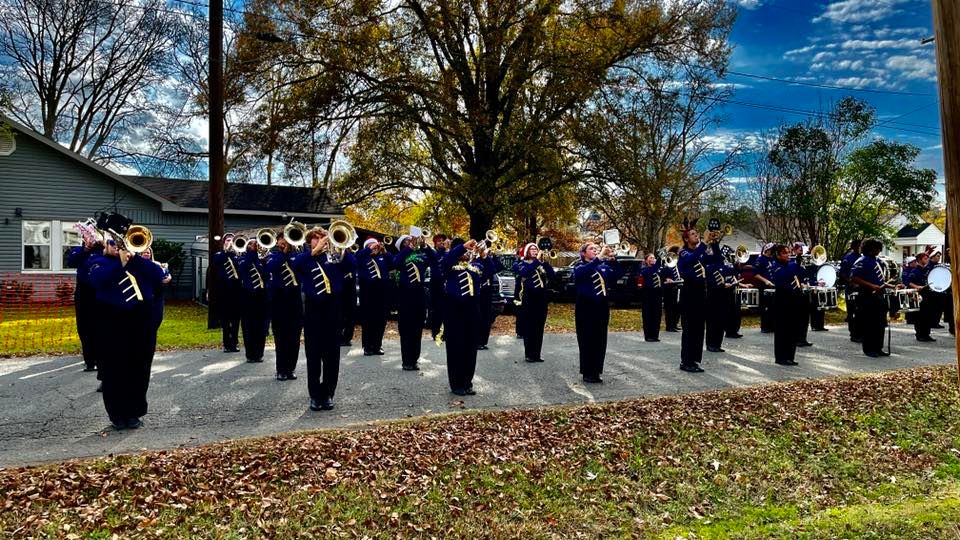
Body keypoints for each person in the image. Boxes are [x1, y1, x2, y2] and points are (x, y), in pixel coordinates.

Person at [88, 239, 165, 430]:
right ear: (105, 246)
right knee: (114, 368)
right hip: (112, 318)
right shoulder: (98, 261)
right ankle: (117, 414)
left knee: (140, 366)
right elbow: (98, 280)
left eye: (120, 244)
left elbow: (158, 275)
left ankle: (134, 412)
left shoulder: (139, 263)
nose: (117, 247)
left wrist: (134, 258)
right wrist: (121, 264)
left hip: (142, 319)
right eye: (113, 244)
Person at [292, 228, 356, 411]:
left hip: (333, 308)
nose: (320, 241)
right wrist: (314, 251)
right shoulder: (304, 257)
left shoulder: (334, 257)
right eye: (316, 238)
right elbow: (296, 268)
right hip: (313, 308)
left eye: (322, 238)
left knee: (332, 355)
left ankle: (328, 394)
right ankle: (314, 395)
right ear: (309, 241)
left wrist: (343, 248)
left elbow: (352, 265)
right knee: (313, 354)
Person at [573, 242, 621, 383]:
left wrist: (613, 260)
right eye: (591, 249)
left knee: (600, 339)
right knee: (587, 339)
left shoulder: (602, 267)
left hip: (601, 307)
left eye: (596, 249)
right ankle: (587, 372)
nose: (595, 250)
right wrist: (600, 257)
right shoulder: (579, 266)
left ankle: (596, 371)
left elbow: (617, 275)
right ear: (583, 253)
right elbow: (584, 272)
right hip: (585, 308)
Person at [441, 239, 483, 395]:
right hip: (454, 309)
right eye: (463, 251)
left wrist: (483, 255)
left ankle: (467, 382)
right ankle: (456, 384)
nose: (465, 253)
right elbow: (446, 260)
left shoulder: (474, 267)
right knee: (455, 347)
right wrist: (462, 247)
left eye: (467, 251)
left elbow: (493, 269)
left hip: (472, 309)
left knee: (471, 348)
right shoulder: (450, 266)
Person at [677, 225, 721, 373]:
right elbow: (691, 259)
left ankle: (695, 360)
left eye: (697, 234)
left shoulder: (701, 252)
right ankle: (686, 361)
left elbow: (716, 259)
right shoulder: (683, 252)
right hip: (689, 293)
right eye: (693, 234)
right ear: (686, 238)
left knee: (699, 329)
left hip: (702, 292)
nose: (697, 236)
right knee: (689, 329)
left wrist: (714, 243)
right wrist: (704, 242)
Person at [393, 234, 434, 370]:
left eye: (411, 240)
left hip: (419, 294)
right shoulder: (401, 255)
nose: (410, 242)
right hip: (405, 295)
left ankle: (414, 359)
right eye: (407, 241)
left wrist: (425, 246)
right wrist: (408, 248)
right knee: (406, 329)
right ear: (402, 245)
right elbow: (395, 263)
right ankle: (406, 361)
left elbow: (434, 259)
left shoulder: (421, 256)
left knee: (417, 329)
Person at [265, 235, 303, 380]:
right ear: (277, 242)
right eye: (282, 240)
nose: (284, 242)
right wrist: (284, 253)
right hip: (278, 299)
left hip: (295, 299)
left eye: (287, 239)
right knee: (280, 337)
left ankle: (291, 368)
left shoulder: (298, 256)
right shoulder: (272, 256)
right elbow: (271, 268)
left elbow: (301, 268)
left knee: (294, 337)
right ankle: (281, 369)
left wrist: (292, 252)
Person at [850, 238, 894, 358]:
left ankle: (878, 347)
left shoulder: (878, 261)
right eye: (877, 248)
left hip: (879, 295)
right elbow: (854, 277)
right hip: (866, 295)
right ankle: (869, 349)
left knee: (880, 323)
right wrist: (871, 286)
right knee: (870, 323)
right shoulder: (862, 261)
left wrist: (893, 286)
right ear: (870, 249)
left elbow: (881, 281)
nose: (879, 251)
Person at [513, 243, 555, 362]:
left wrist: (546, 263)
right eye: (531, 249)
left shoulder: (540, 264)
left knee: (539, 326)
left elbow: (552, 277)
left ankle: (537, 353)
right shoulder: (520, 264)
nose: (535, 250)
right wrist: (537, 261)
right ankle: (529, 354)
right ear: (527, 251)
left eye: (536, 249)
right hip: (528, 298)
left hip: (541, 298)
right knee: (529, 326)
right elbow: (525, 273)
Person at [67, 234, 103, 373]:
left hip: (100, 291)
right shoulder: (78, 250)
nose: (90, 239)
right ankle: (89, 361)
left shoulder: (103, 250)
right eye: (87, 237)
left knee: (100, 327)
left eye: (93, 237)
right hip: (83, 292)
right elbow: (71, 262)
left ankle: (101, 359)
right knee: (84, 327)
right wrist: (85, 249)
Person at [356, 238, 391, 356]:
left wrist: (385, 251)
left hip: (382, 293)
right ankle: (367, 346)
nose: (374, 247)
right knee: (368, 321)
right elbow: (356, 257)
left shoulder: (382, 257)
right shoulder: (362, 257)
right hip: (367, 293)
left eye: (375, 245)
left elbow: (393, 263)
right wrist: (368, 248)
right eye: (371, 245)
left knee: (381, 321)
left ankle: (377, 345)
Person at [770, 244, 803, 366]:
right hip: (782, 300)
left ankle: (790, 356)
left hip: (793, 300)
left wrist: (799, 261)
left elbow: (800, 274)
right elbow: (782, 280)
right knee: (782, 330)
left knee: (792, 329)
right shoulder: (776, 266)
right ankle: (781, 357)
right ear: (777, 255)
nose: (788, 255)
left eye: (788, 252)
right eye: (784, 253)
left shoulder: (790, 265)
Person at [237, 241, 268, 363]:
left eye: (256, 244)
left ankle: (259, 353)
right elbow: (243, 268)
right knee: (248, 326)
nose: (254, 246)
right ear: (247, 247)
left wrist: (262, 258)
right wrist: (252, 253)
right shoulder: (242, 259)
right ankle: (250, 354)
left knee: (261, 325)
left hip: (261, 295)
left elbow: (266, 275)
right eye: (251, 244)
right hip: (247, 295)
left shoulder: (263, 259)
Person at [212, 238, 242, 353]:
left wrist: (234, 252)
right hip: (223, 290)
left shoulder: (238, 255)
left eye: (232, 241)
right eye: (227, 241)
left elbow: (241, 269)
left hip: (236, 290)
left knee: (235, 319)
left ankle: (235, 343)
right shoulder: (219, 254)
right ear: (224, 243)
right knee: (225, 319)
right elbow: (217, 262)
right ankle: (226, 343)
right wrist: (226, 251)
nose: (230, 242)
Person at [705, 256, 739, 352]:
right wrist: (723, 285)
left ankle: (717, 344)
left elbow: (729, 275)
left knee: (721, 319)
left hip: (724, 295)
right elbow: (710, 281)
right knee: (713, 321)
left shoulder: (723, 266)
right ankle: (711, 344)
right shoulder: (709, 266)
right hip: (713, 296)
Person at [476, 247, 503, 351]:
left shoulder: (488, 260)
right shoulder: (476, 260)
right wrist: (484, 257)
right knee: (479, 317)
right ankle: (477, 341)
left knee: (486, 317)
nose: (484, 252)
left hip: (487, 292)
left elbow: (498, 268)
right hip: (479, 292)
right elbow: (485, 272)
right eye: (482, 250)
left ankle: (483, 341)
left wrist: (494, 256)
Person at [904, 254, 935, 342]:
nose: (927, 260)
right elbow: (908, 282)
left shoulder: (927, 269)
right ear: (919, 260)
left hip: (927, 295)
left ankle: (926, 334)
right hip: (919, 295)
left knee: (928, 315)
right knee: (920, 316)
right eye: (925, 258)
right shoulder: (915, 271)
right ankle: (920, 334)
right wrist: (917, 286)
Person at [839, 239, 862, 343]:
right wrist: (851, 282)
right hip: (851, 288)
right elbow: (843, 274)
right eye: (858, 246)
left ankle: (860, 332)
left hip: (861, 288)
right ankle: (853, 334)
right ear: (854, 247)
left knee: (861, 312)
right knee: (852, 312)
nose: (860, 248)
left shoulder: (862, 258)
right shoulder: (848, 258)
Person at [791, 243, 814, 348]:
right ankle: (797, 339)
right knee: (797, 317)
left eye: (802, 250)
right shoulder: (792, 263)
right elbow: (793, 276)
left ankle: (803, 338)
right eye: (799, 250)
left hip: (805, 292)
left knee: (805, 317)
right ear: (795, 250)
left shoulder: (806, 264)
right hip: (796, 293)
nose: (802, 253)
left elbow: (809, 276)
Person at [428, 234, 448, 341]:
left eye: (443, 240)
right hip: (436, 283)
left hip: (446, 283)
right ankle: (436, 333)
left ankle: (445, 333)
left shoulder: (448, 253)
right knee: (436, 310)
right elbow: (435, 257)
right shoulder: (433, 253)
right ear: (435, 244)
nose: (441, 242)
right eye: (439, 241)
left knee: (446, 309)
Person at [639, 253, 663, 342]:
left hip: (657, 294)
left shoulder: (657, 269)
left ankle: (655, 335)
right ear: (646, 260)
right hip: (648, 295)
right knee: (648, 316)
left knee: (657, 315)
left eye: (654, 258)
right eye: (651, 258)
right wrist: (660, 259)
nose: (653, 259)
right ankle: (648, 336)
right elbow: (650, 271)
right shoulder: (644, 269)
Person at [754, 243, 777, 333]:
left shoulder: (773, 260)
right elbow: (756, 274)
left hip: (773, 285)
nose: (773, 252)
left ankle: (773, 326)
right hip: (764, 286)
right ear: (767, 250)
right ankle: (765, 327)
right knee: (765, 307)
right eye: (771, 250)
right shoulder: (760, 259)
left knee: (773, 306)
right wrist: (765, 281)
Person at [661, 246, 682, 332]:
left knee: (677, 307)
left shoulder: (679, 262)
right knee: (669, 307)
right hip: (669, 288)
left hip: (678, 287)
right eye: (678, 252)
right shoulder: (667, 262)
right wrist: (666, 278)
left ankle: (675, 324)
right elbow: (662, 273)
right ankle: (669, 326)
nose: (679, 253)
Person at [339, 264, 357, 347]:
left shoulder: (351, 257)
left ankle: (347, 338)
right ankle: (339, 336)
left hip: (351, 290)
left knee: (351, 315)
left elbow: (354, 262)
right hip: (340, 290)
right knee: (339, 314)